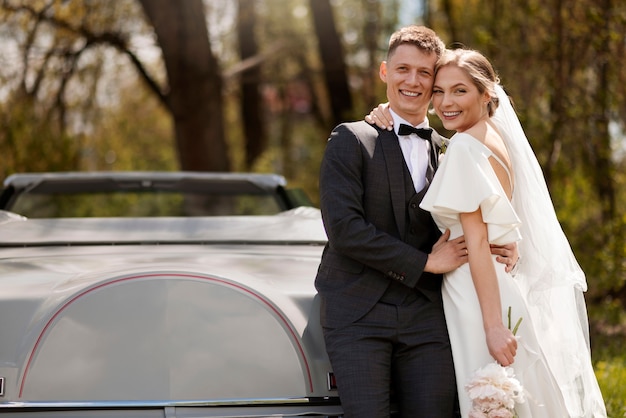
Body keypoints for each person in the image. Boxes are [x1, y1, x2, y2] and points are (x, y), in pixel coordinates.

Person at [368, 48, 607, 417]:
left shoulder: (464, 146)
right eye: (440, 91)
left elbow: (478, 240)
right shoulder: (493, 138)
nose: (446, 102)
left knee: (490, 401)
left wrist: (494, 327)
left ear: (487, 94)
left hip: (477, 298)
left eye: (460, 91)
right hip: (496, 286)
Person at [315, 26, 517, 418]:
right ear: (384, 72)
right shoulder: (352, 139)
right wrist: (424, 262)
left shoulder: (451, 148)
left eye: (425, 73)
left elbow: (464, 223)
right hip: (358, 315)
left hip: (428, 316)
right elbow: (344, 230)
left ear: (435, 80)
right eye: (402, 69)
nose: (413, 81)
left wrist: (499, 241)